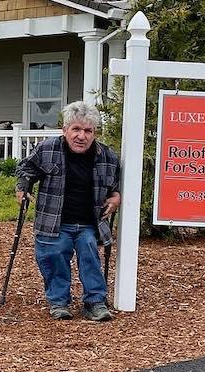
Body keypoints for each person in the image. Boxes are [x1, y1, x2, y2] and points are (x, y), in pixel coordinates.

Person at [16, 100, 121, 321]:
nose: (81, 136)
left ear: (94, 133)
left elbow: (115, 186)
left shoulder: (107, 157)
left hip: (89, 223)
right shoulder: (46, 149)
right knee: (53, 256)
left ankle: (95, 302)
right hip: (54, 221)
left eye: (88, 130)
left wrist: (116, 196)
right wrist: (22, 188)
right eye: (76, 129)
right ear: (65, 130)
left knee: (90, 257)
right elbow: (25, 169)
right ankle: (58, 302)